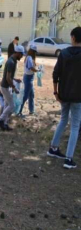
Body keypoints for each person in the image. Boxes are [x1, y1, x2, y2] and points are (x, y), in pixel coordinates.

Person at [47, 27, 81, 169]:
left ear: (73, 37)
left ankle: (53, 148)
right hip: (77, 96)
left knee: (63, 119)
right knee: (74, 126)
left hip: (64, 94)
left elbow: (55, 74)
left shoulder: (64, 53)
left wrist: (56, 93)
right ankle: (68, 158)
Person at [0, 45, 25, 131]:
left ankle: (4, 124)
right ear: (17, 53)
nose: (22, 56)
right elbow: (8, 78)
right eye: (21, 54)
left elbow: (9, 76)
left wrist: (15, 79)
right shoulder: (11, 62)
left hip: (7, 86)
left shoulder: (13, 61)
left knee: (6, 105)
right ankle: (0, 120)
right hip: (5, 87)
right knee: (12, 105)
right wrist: (14, 88)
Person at [18, 45, 40, 117]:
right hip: (28, 78)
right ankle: (19, 111)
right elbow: (31, 68)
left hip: (29, 77)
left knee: (31, 95)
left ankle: (31, 110)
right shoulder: (30, 58)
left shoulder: (28, 57)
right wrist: (38, 70)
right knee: (25, 96)